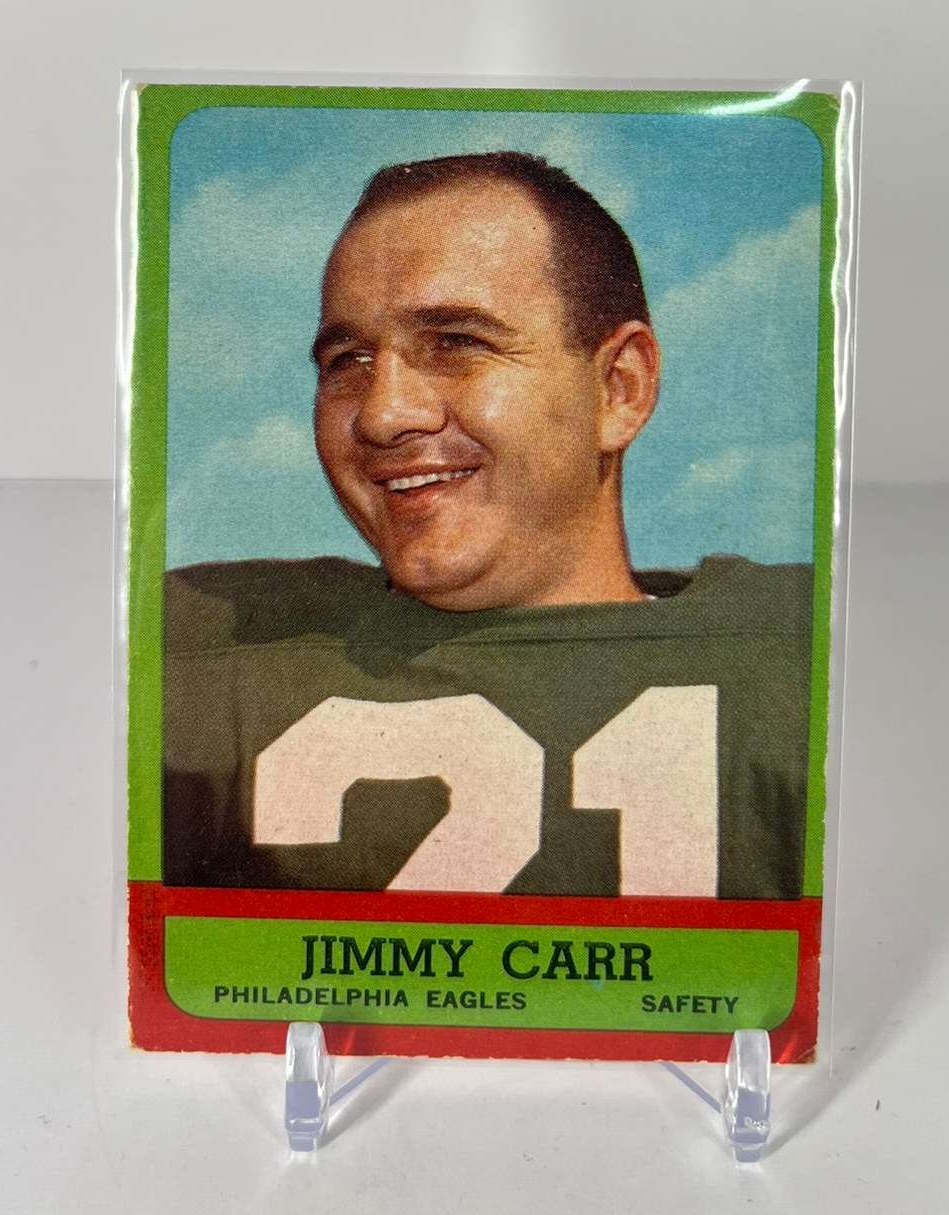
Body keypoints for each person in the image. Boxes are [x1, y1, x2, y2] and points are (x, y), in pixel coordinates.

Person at [163, 152, 812, 899]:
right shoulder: (204, 648)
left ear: (618, 389)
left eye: (457, 344)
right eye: (348, 359)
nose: (381, 413)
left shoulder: (802, 656)